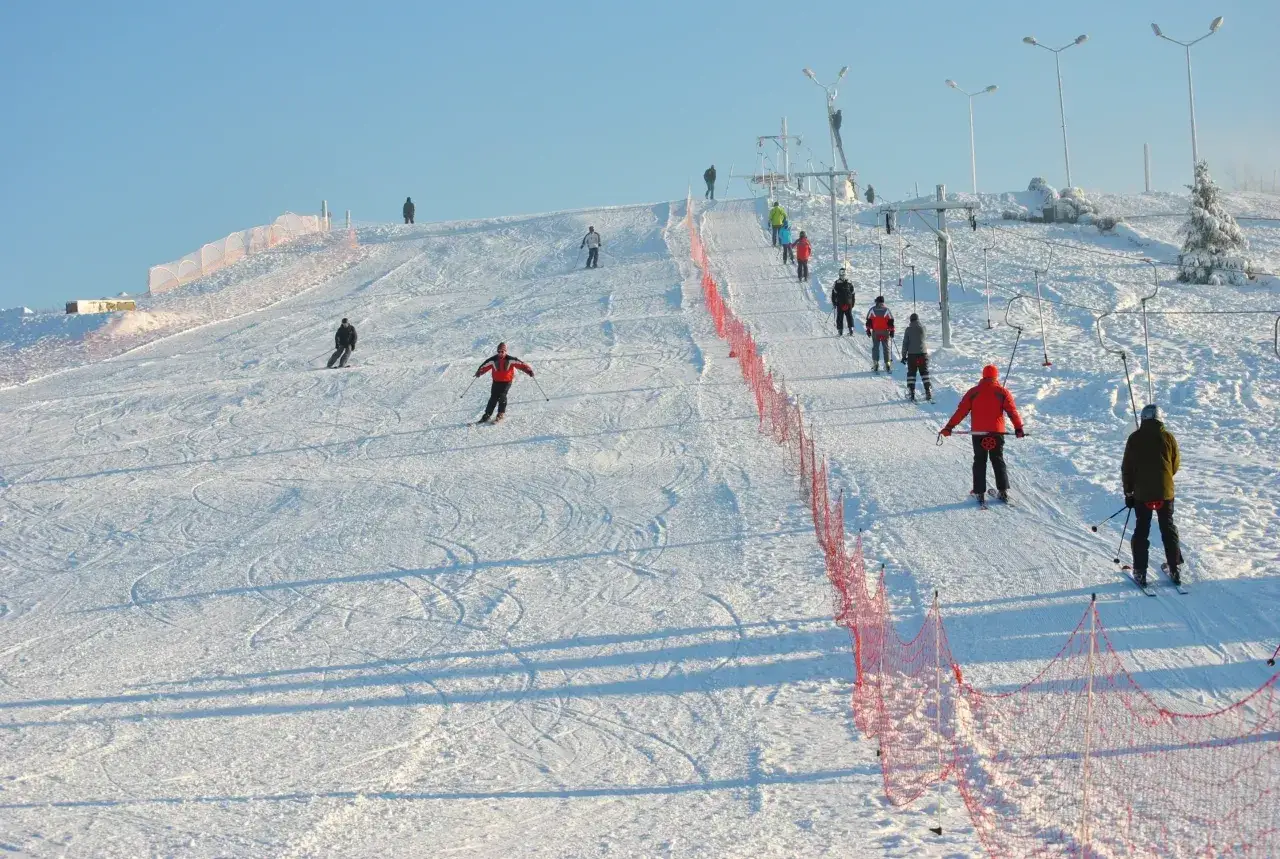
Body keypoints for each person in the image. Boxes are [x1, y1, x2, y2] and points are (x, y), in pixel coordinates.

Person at [940, 364, 1025, 503]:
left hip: (978, 433)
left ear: (983, 376)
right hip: (997, 433)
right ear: (996, 376)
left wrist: (949, 427)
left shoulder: (973, 392)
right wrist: (1018, 428)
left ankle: (979, 492)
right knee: (997, 459)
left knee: (979, 460)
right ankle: (1003, 492)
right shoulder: (1002, 392)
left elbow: (961, 411)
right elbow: (1012, 412)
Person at [1122, 404, 1183, 587]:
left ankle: (1140, 572)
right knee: (1168, 527)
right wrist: (1164, 480)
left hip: (1142, 494)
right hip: (1165, 493)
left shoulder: (1134, 438)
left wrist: (1129, 492)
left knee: (1142, 529)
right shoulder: (1168, 437)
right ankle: (1174, 568)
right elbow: (1175, 462)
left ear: (1143, 419)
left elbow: (1127, 468)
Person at [474, 342, 534, 424]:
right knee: (493, 398)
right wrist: (479, 372)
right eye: (499, 351)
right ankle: (487, 414)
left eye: (502, 351)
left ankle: (500, 414)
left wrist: (529, 371)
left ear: (505, 351)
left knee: (502, 396)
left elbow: (521, 365)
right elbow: (484, 366)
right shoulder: (493, 360)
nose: (500, 353)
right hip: (496, 381)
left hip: (506, 382)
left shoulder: (510, 359)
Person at [900, 312, 931, 401]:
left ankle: (911, 392)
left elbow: (905, 343)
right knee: (924, 373)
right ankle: (928, 391)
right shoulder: (923, 328)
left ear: (910, 320)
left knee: (911, 374)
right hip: (923, 354)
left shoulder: (908, 329)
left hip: (912, 355)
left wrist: (903, 356)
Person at [864, 296, 895, 372]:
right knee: (886, 348)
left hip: (876, 331)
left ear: (877, 302)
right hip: (885, 331)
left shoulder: (872, 310)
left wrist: (868, 330)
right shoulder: (887, 310)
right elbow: (891, 321)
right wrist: (892, 331)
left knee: (875, 347)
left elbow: (868, 321)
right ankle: (887, 364)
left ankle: (875, 364)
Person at [831, 268, 855, 335]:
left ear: (839, 274)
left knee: (840, 316)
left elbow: (833, 294)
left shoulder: (836, 282)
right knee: (849, 316)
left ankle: (840, 331)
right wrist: (852, 303)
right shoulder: (850, 282)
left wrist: (834, 303)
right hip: (849, 303)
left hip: (840, 303)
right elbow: (853, 293)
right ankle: (851, 330)